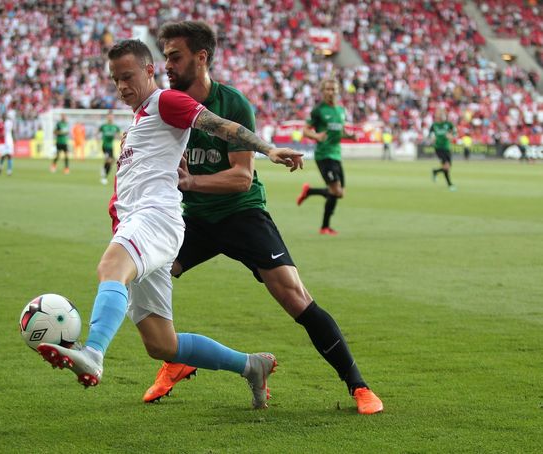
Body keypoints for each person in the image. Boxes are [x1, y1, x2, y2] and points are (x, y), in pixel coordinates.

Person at [36, 39, 303, 409]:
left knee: (111, 267)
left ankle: (94, 353)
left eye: (128, 76)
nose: (122, 86)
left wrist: (268, 149)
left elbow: (221, 125)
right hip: (141, 222)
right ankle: (251, 365)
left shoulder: (165, 101)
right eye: (115, 80)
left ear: (149, 71)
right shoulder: (142, 116)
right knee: (162, 344)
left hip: (156, 217)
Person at [141, 21, 383, 415]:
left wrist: (190, 181)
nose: (167, 64)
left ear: (201, 58)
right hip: (194, 221)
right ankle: (176, 359)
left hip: (242, 214)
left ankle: (359, 386)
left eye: (175, 56)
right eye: (165, 56)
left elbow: (241, 178)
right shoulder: (168, 105)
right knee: (150, 279)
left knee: (292, 294)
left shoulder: (232, 104)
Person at [297, 78, 354, 236]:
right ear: (323, 91)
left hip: (336, 154)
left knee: (339, 192)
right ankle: (324, 227)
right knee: (336, 190)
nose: (330, 92)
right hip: (323, 155)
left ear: (337, 91)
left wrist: (350, 136)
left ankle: (310, 193)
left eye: (333, 89)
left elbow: (340, 131)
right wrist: (316, 136)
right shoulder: (319, 110)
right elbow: (305, 130)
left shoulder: (341, 110)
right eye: (327, 89)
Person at [428, 109, 456, 190]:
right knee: (446, 166)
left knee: (448, 166)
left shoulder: (448, 124)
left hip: (447, 147)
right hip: (438, 148)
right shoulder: (434, 125)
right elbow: (430, 134)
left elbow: (454, 132)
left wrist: (451, 135)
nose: (439, 117)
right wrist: (432, 138)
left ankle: (435, 171)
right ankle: (450, 185)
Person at [97, 111, 121, 185]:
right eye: (109, 116)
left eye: (111, 116)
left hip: (111, 147)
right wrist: (97, 139)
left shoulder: (115, 127)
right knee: (109, 160)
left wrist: (121, 137)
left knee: (111, 162)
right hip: (105, 146)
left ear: (113, 117)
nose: (110, 117)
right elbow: (97, 132)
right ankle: (104, 177)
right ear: (107, 117)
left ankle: (104, 171)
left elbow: (118, 135)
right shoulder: (103, 126)